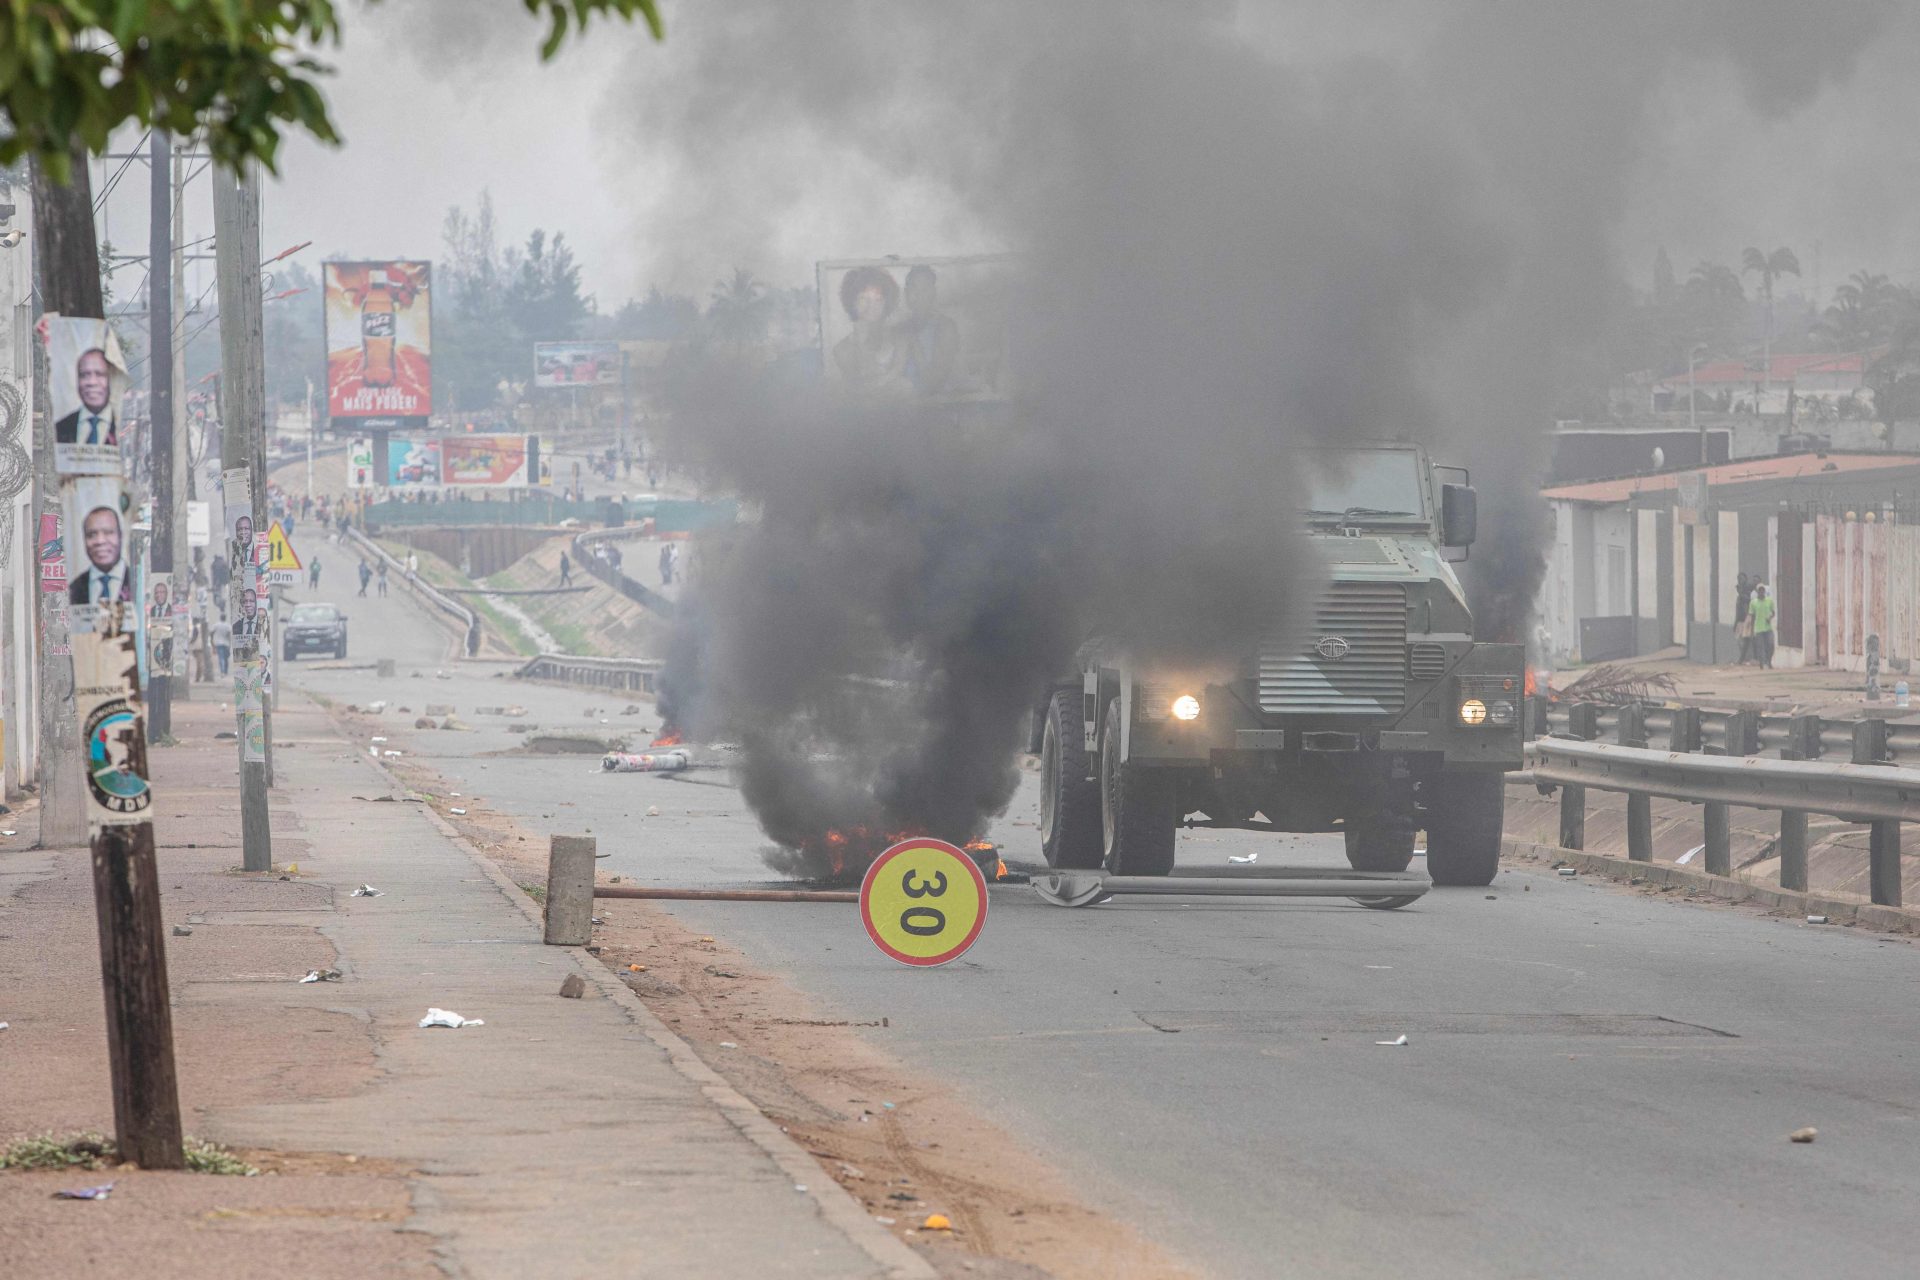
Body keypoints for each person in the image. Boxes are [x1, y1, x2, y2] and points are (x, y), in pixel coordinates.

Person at [897, 264, 962, 396]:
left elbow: (933, 385)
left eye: (925, 289)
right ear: (906, 293)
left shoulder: (945, 328)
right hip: (904, 407)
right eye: (913, 289)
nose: (919, 295)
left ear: (933, 293)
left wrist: (914, 342)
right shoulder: (900, 328)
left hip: (937, 407)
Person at [54, 347, 119, 445]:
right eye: (84, 375)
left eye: (100, 374)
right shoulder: (61, 427)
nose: (92, 382)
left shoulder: (122, 427)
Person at [70, 505, 131, 604]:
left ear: (120, 536)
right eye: (92, 535)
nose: (100, 541)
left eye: (108, 532)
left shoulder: (138, 583)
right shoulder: (73, 590)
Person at [1749, 583, 1776, 669]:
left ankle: (1769, 660)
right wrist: (1751, 630)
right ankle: (1762, 662)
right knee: (1760, 646)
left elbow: (1773, 612)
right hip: (1758, 627)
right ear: (1757, 592)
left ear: (1764, 591)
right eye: (1759, 590)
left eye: (1762, 590)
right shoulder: (1753, 603)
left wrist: (1770, 617)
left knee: (1771, 644)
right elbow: (1752, 617)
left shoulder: (1769, 601)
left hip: (1768, 627)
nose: (1761, 592)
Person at [1733, 571, 1755, 664]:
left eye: (1741, 578)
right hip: (1740, 620)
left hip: (1747, 618)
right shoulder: (1740, 595)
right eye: (1739, 579)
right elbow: (1738, 610)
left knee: (1746, 639)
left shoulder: (1748, 590)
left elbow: (1749, 601)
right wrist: (1735, 622)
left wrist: (1741, 594)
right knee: (1740, 640)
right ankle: (1744, 658)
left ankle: (1743, 659)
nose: (1740, 581)